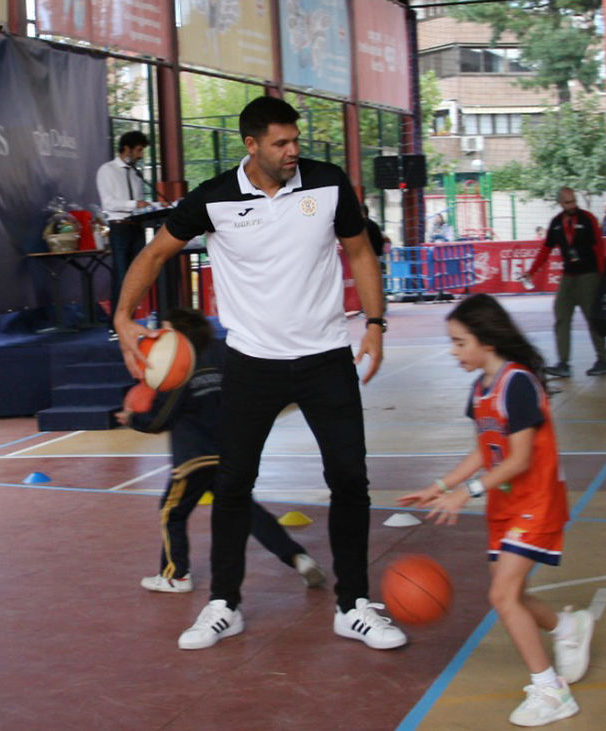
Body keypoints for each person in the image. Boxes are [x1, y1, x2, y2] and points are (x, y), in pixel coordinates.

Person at [111, 96, 403, 652]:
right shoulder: (215, 198)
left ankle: (354, 605)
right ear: (252, 145)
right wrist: (124, 317)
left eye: (295, 140)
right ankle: (224, 604)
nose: (293, 151)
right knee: (233, 484)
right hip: (251, 364)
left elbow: (360, 252)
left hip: (324, 359)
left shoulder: (328, 182)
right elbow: (153, 256)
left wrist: (375, 323)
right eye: (280, 143)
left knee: (350, 482)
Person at [397, 294, 593, 727]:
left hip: (537, 502)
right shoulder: (481, 390)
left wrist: (464, 493)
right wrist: (439, 486)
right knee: (513, 595)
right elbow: (483, 451)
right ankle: (566, 627)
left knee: (501, 595)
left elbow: (519, 458)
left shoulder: (517, 383)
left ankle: (551, 690)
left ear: (486, 340)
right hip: (506, 505)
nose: (453, 351)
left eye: (459, 342)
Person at [117, 308, 327, 593]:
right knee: (246, 511)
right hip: (231, 452)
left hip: (194, 457)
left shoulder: (178, 362)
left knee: (171, 513)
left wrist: (133, 418)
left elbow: (159, 419)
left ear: (176, 332)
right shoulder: (223, 352)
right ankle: (298, 557)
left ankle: (176, 574)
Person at [522, 187, 606, 378]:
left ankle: (603, 359)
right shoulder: (556, 223)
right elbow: (545, 250)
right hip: (568, 276)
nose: (572, 205)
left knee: (593, 317)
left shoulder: (588, 219)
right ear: (561, 203)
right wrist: (531, 272)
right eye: (568, 202)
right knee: (561, 315)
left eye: (574, 201)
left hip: (589, 275)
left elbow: (599, 247)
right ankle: (563, 362)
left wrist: (602, 275)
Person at [97, 130, 151, 311]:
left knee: (138, 276)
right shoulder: (107, 170)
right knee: (121, 276)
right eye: (138, 150)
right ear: (126, 149)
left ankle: (131, 317)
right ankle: (116, 324)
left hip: (137, 227)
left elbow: (139, 203)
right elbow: (108, 203)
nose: (141, 155)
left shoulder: (135, 173)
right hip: (119, 228)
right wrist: (135, 204)